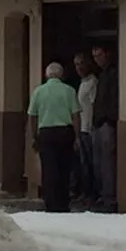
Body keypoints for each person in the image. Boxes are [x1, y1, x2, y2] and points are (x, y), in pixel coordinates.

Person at [27, 62, 82, 213]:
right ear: (61, 75)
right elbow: (76, 115)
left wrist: (34, 136)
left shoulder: (38, 92)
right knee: (64, 168)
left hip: (46, 133)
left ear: (46, 75)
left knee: (49, 169)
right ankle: (63, 202)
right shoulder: (69, 91)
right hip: (65, 133)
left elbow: (32, 115)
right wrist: (77, 137)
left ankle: (50, 202)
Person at [91, 44, 119, 213]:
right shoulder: (102, 74)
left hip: (107, 123)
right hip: (99, 123)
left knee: (108, 162)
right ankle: (103, 194)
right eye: (94, 56)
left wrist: (108, 118)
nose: (97, 59)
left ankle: (109, 197)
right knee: (99, 163)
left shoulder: (113, 73)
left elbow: (113, 98)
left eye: (99, 54)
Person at [73, 52, 99, 210]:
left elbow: (94, 105)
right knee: (83, 163)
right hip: (81, 128)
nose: (79, 67)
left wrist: (91, 127)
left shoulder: (92, 82)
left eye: (81, 63)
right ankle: (85, 192)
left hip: (88, 128)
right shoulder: (82, 82)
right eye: (76, 64)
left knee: (90, 163)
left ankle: (92, 194)